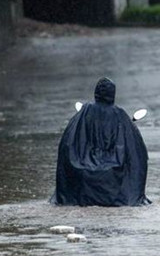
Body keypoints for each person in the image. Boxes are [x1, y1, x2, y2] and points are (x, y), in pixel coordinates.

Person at [52, 77, 150, 206]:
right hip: (114, 173)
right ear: (113, 94)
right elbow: (136, 150)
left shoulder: (84, 112)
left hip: (82, 174)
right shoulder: (120, 114)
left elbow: (68, 141)